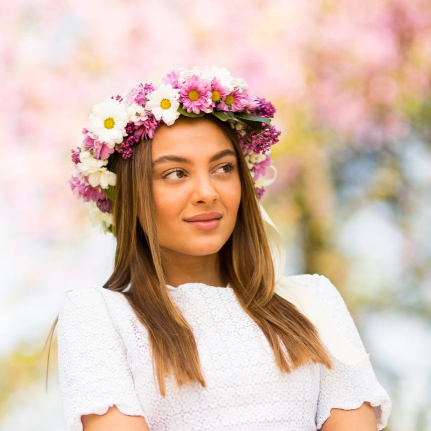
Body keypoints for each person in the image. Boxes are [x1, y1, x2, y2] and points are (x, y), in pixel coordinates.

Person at [46, 66, 392, 431]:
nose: (207, 192)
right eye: (175, 173)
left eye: (223, 168)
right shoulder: (100, 316)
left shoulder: (313, 300)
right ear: (132, 197)